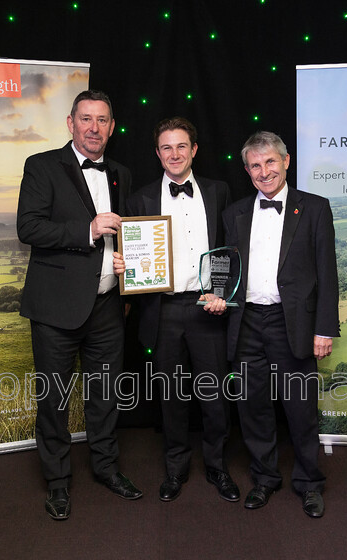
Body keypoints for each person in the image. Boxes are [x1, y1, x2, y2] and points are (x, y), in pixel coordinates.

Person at [17, 90, 142, 521]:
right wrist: (87, 230)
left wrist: (128, 262)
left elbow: (123, 232)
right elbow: (28, 227)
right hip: (55, 308)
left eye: (102, 120)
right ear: (70, 123)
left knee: (105, 396)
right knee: (53, 399)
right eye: (86, 119)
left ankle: (106, 469)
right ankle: (57, 482)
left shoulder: (121, 173)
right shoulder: (41, 166)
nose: (94, 127)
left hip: (108, 306)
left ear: (112, 126)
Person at [112, 117, 239, 503]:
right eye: (166, 147)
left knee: (215, 393)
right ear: (157, 153)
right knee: (171, 395)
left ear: (194, 149)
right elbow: (136, 254)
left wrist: (220, 292)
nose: (174, 154)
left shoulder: (219, 191)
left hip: (207, 307)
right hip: (162, 311)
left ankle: (217, 466)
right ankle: (175, 467)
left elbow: (228, 250)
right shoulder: (141, 198)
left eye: (181, 146)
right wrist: (125, 268)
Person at [221, 131, 339, 518]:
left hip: (293, 325)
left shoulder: (316, 208)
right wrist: (216, 294)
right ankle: (265, 479)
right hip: (247, 321)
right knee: (253, 408)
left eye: (270, 162)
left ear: (286, 161)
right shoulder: (234, 212)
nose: (264, 171)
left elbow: (328, 274)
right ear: (247, 170)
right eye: (255, 165)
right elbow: (226, 269)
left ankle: (308, 483)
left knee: (300, 409)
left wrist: (324, 329)